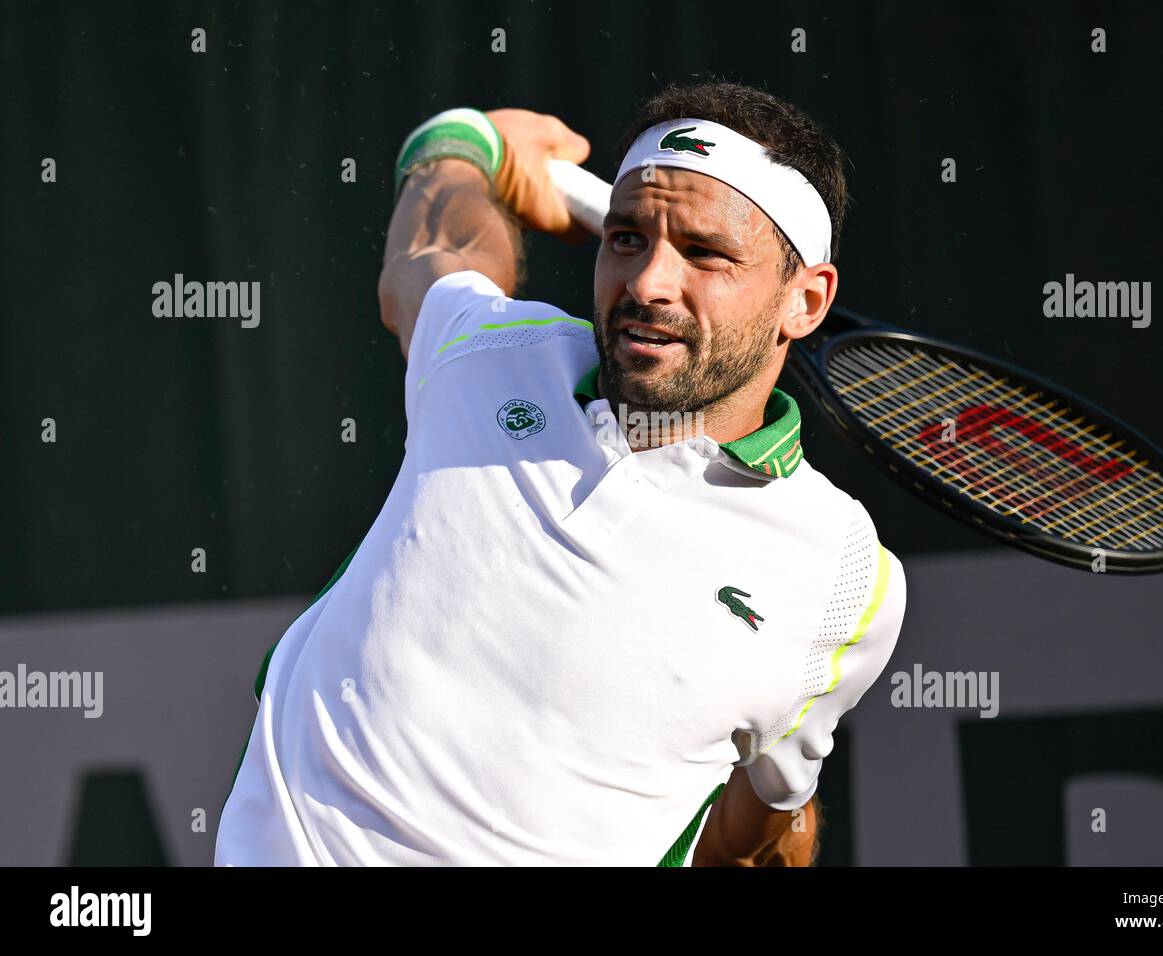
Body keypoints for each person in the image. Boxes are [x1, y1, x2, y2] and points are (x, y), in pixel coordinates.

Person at [216, 81, 906, 866]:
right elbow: (428, 254)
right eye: (628, 238)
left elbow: (761, 820)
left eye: (705, 254)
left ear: (805, 300)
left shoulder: (844, 573)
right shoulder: (491, 357)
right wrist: (464, 145)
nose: (648, 284)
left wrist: (770, 838)